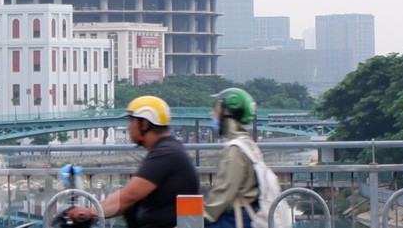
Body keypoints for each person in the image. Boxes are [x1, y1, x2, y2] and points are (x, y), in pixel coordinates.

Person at [64, 96, 200, 228]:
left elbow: (129, 196)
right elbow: (126, 199)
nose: (129, 127)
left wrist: (90, 212)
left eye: (131, 121)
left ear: (144, 124)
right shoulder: (167, 149)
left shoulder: (166, 153)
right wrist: (94, 211)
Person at [203, 88, 261, 228]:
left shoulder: (234, 149)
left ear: (227, 114)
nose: (213, 115)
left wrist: (201, 218)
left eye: (216, 111)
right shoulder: (248, 143)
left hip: (236, 218)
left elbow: (223, 193)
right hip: (249, 213)